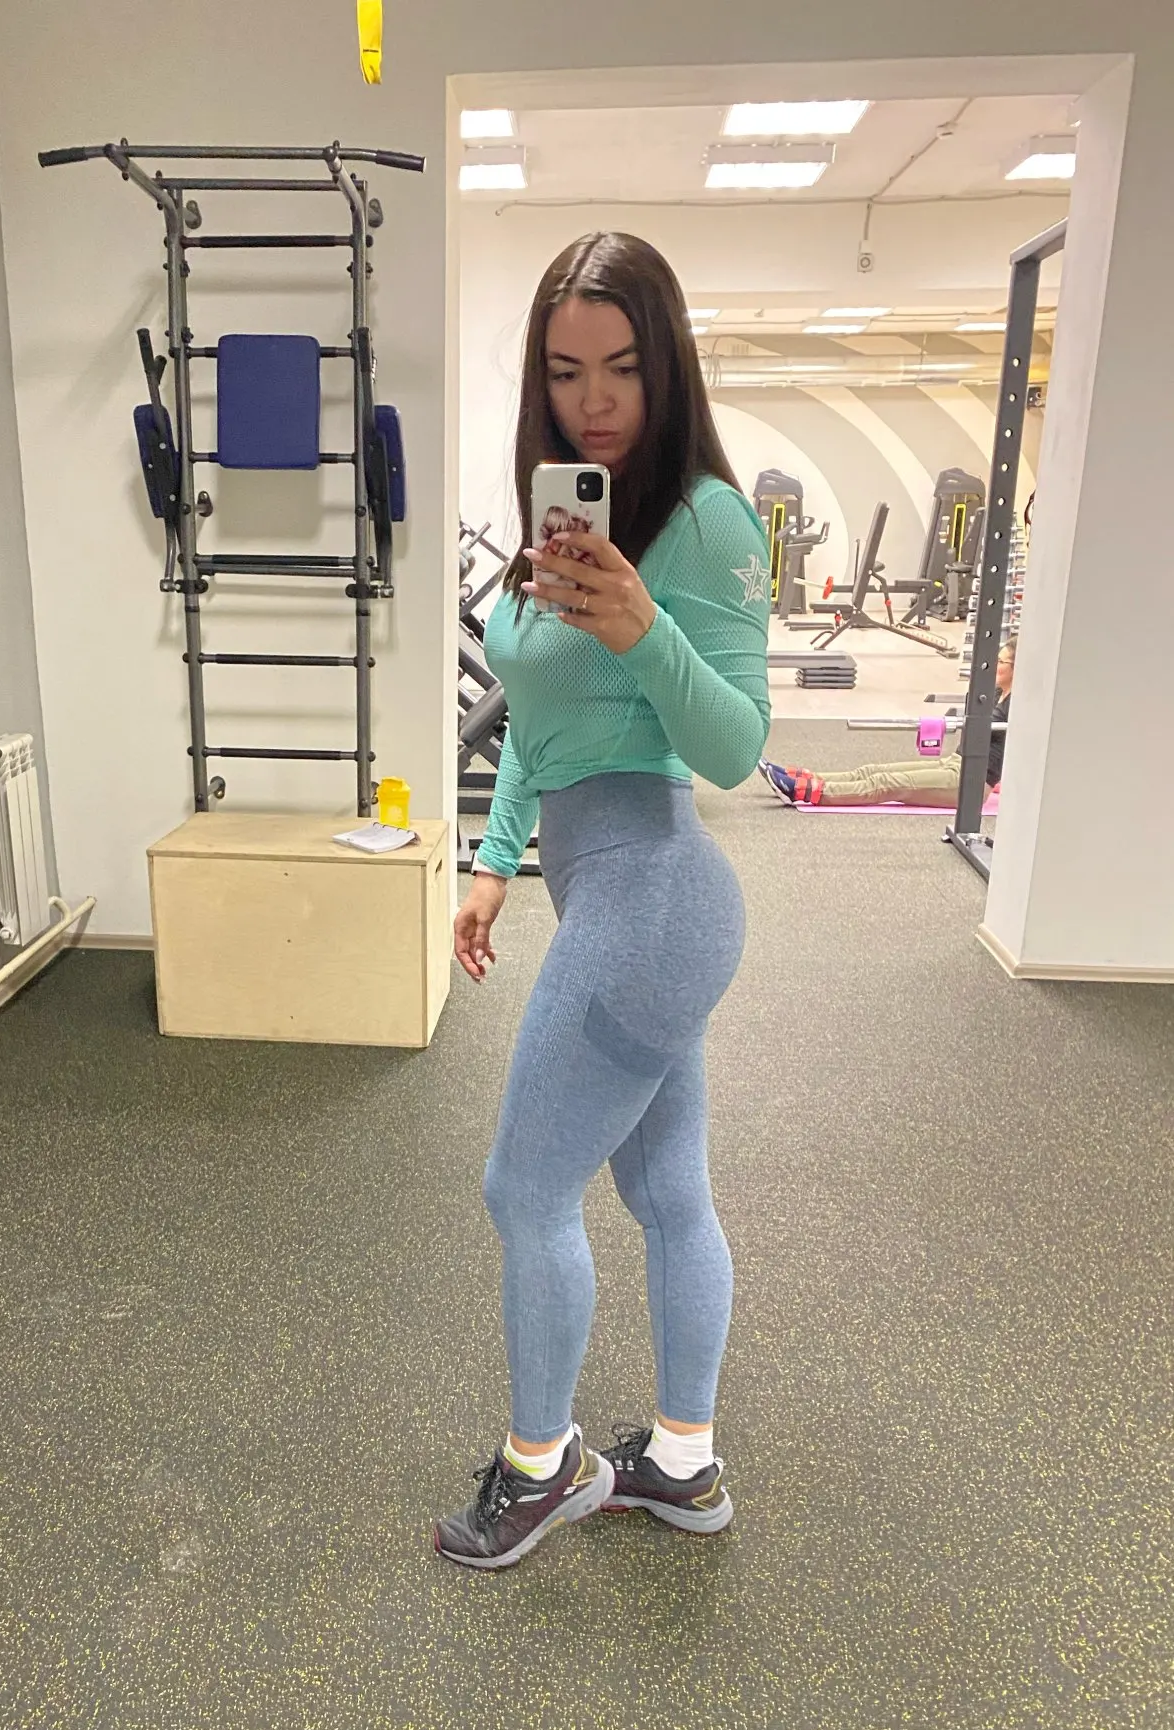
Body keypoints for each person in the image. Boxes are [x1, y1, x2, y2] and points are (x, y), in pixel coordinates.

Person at [435, 232, 771, 1569]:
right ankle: (684, 1464)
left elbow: (736, 746)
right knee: (667, 1189)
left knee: (524, 1190)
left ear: (667, 362)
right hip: (608, 896)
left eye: (623, 367)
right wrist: (494, 860)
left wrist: (642, 624)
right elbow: (536, 713)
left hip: (654, 895)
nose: (596, 401)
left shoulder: (705, 521)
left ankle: (543, 1466)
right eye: (567, 371)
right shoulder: (563, 522)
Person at [759, 641, 1015, 806]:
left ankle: (803, 791)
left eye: (1001, 662)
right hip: (956, 763)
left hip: (971, 783)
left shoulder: (1017, 705)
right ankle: (804, 777)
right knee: (872, 771)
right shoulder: (994, 693)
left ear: (1017, 668)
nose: (995, 665)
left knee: (887, 784)